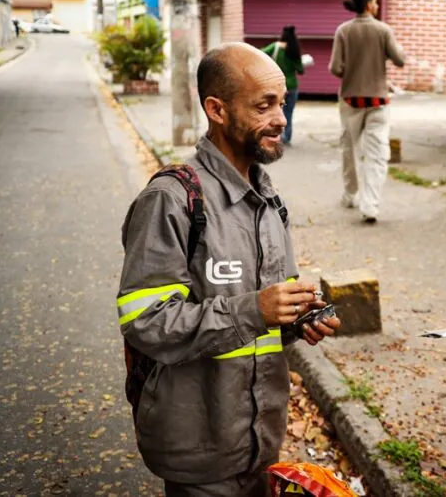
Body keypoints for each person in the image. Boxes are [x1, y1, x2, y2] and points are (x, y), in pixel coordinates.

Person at [116, 42, 341, 497]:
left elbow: (263, 314)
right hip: (198, 446)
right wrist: (255, 310)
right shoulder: (172, 199)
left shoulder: (269, 200)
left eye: (281, 103)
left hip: (261, 440)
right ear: (216, 110)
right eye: (264, 106)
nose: (281, 118)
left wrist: (296, 320)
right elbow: (145, 321)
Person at [329, 0, 406, 223]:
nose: (378, 5)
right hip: (378, 102)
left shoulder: (343, 30)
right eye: (375, 1)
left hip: (350, 101)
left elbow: (335, 68)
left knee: (349, 148)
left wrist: (352, 69)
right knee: (377, 153)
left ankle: (350, 194)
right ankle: (370, 205)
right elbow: (400, 60)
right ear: (369, 5)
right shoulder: (383, 30)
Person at [261, 26, 305, 146]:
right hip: (292, 86)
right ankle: (286, 137)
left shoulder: (275, 47)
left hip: (276, 85)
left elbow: (260, 54)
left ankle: (276, 135)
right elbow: (301, 70)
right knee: (288, 112)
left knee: (274, 111)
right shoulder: (294, 50)